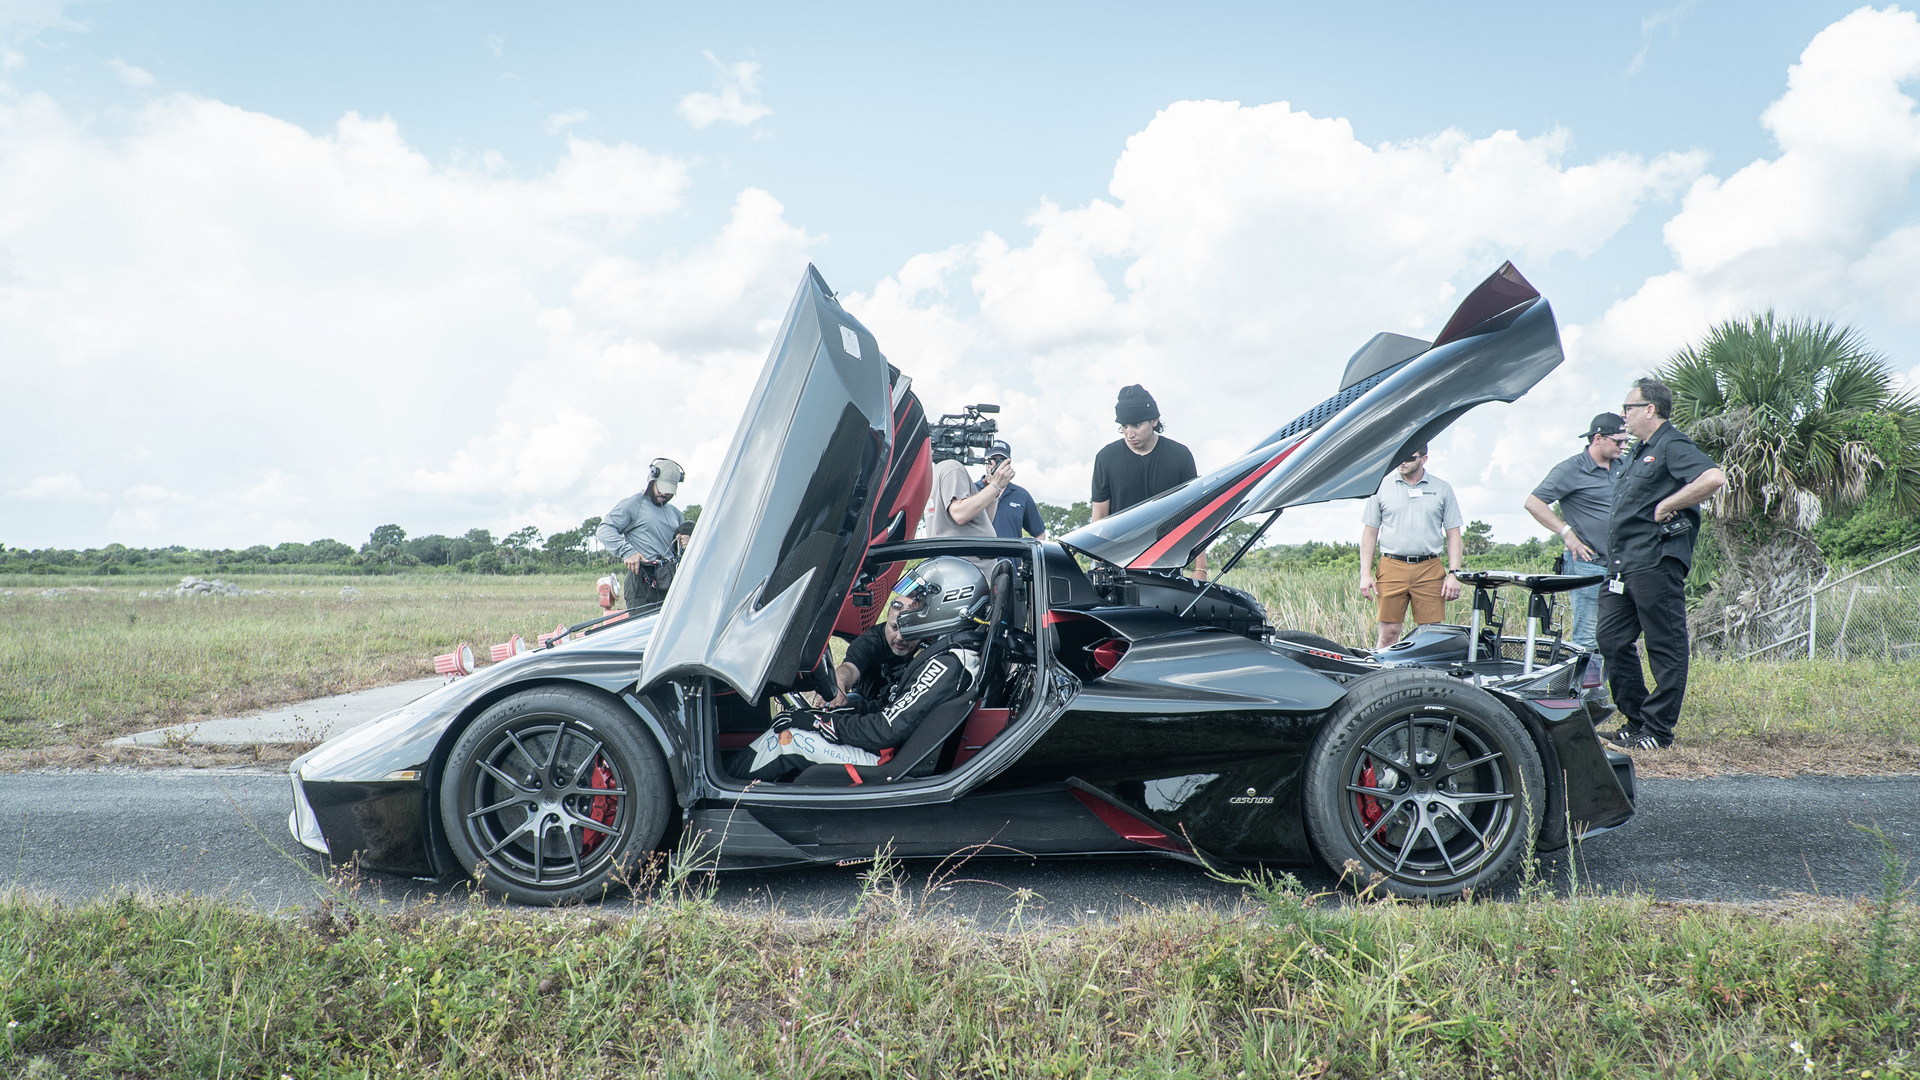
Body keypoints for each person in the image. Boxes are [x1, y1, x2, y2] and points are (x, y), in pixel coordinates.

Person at [738, 558, 988, 782]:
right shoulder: (942, 652)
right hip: (887, 745)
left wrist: (818, 721)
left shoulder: (946, 663)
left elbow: (886, 729)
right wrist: (834, 714)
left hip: (885, 758)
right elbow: (886, 707)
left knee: (785, 741)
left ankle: (720, 797)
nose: (914, 609)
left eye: (922, 601)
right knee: (793, 724)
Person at [1597, 378, 1726, 752]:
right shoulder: (1639, 452)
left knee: (1664, 646)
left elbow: (1713, 477)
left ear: (1650, 409)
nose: (1624, 415)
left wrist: (1668, 505)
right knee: (1612, 640)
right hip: (1623, 564)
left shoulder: (1672, 443)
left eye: (1629, 408)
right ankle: (1636, 719)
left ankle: (1657, 729)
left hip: (1655, 562)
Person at [1523, 413, 1629, 649]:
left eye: (1626, 441)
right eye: (1618, 441)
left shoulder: (1626, 464)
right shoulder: (1571, 468)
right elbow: (1534, 502)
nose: (1623, 446)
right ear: (1598, 438)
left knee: (1618, 635)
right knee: (1589, 637)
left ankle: (1609, 685)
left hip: (1623, 564)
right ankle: (1586, 687)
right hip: (1587, 563)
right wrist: (1566, 532)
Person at [1090, 384, 1205, 577]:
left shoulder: (1180, 455)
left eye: (1136, 425)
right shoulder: (1106, 458)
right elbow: (1100, 518)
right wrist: (1099, 564)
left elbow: (1196, 514)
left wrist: (1200, 568)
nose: (1130, 433)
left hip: (1167, 561)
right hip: (1119, 564)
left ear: (1154, 420)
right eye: (1124, 427)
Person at [1358, 444, 1464, 650]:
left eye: (1409, 458)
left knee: (1430, 634)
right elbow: (1370, 533)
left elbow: (1454, 534)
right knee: (1389, 632)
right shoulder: (1381, 488)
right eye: (1399, 457)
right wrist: (1365, 573)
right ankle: (1382, 676)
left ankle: (1426, 679)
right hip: (1392, 566)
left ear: (1424, 459)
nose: (1402, 462)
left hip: (1429, 568)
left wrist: (1454, 574)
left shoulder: (1442, 489)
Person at [595, 457, 685, 610]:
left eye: (669, 491)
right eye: (661, 488)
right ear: (652, 479)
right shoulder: (634, 504)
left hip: (669, 580)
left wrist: (686, 538)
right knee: (643, 631)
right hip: (642, 582)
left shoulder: (675, 513)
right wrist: (628, 551)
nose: (664, 494)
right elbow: (604, 529)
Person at [925, 434, 1015, 540]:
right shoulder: (953, 468)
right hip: (963, 555)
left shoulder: (937, 471)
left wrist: (991, 490)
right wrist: (996, 486)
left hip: (956, 554)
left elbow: (986, 521)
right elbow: (959, 514)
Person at [976, 440, 1047, 541]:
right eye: (993, 459)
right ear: (985, 462)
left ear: (1009, 462)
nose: (997, 464)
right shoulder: (972, 491)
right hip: (980, 555)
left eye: (1002, 460)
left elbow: (1039, 534)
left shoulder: (1021, 495)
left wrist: (1028, 556)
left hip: (1010, 556)